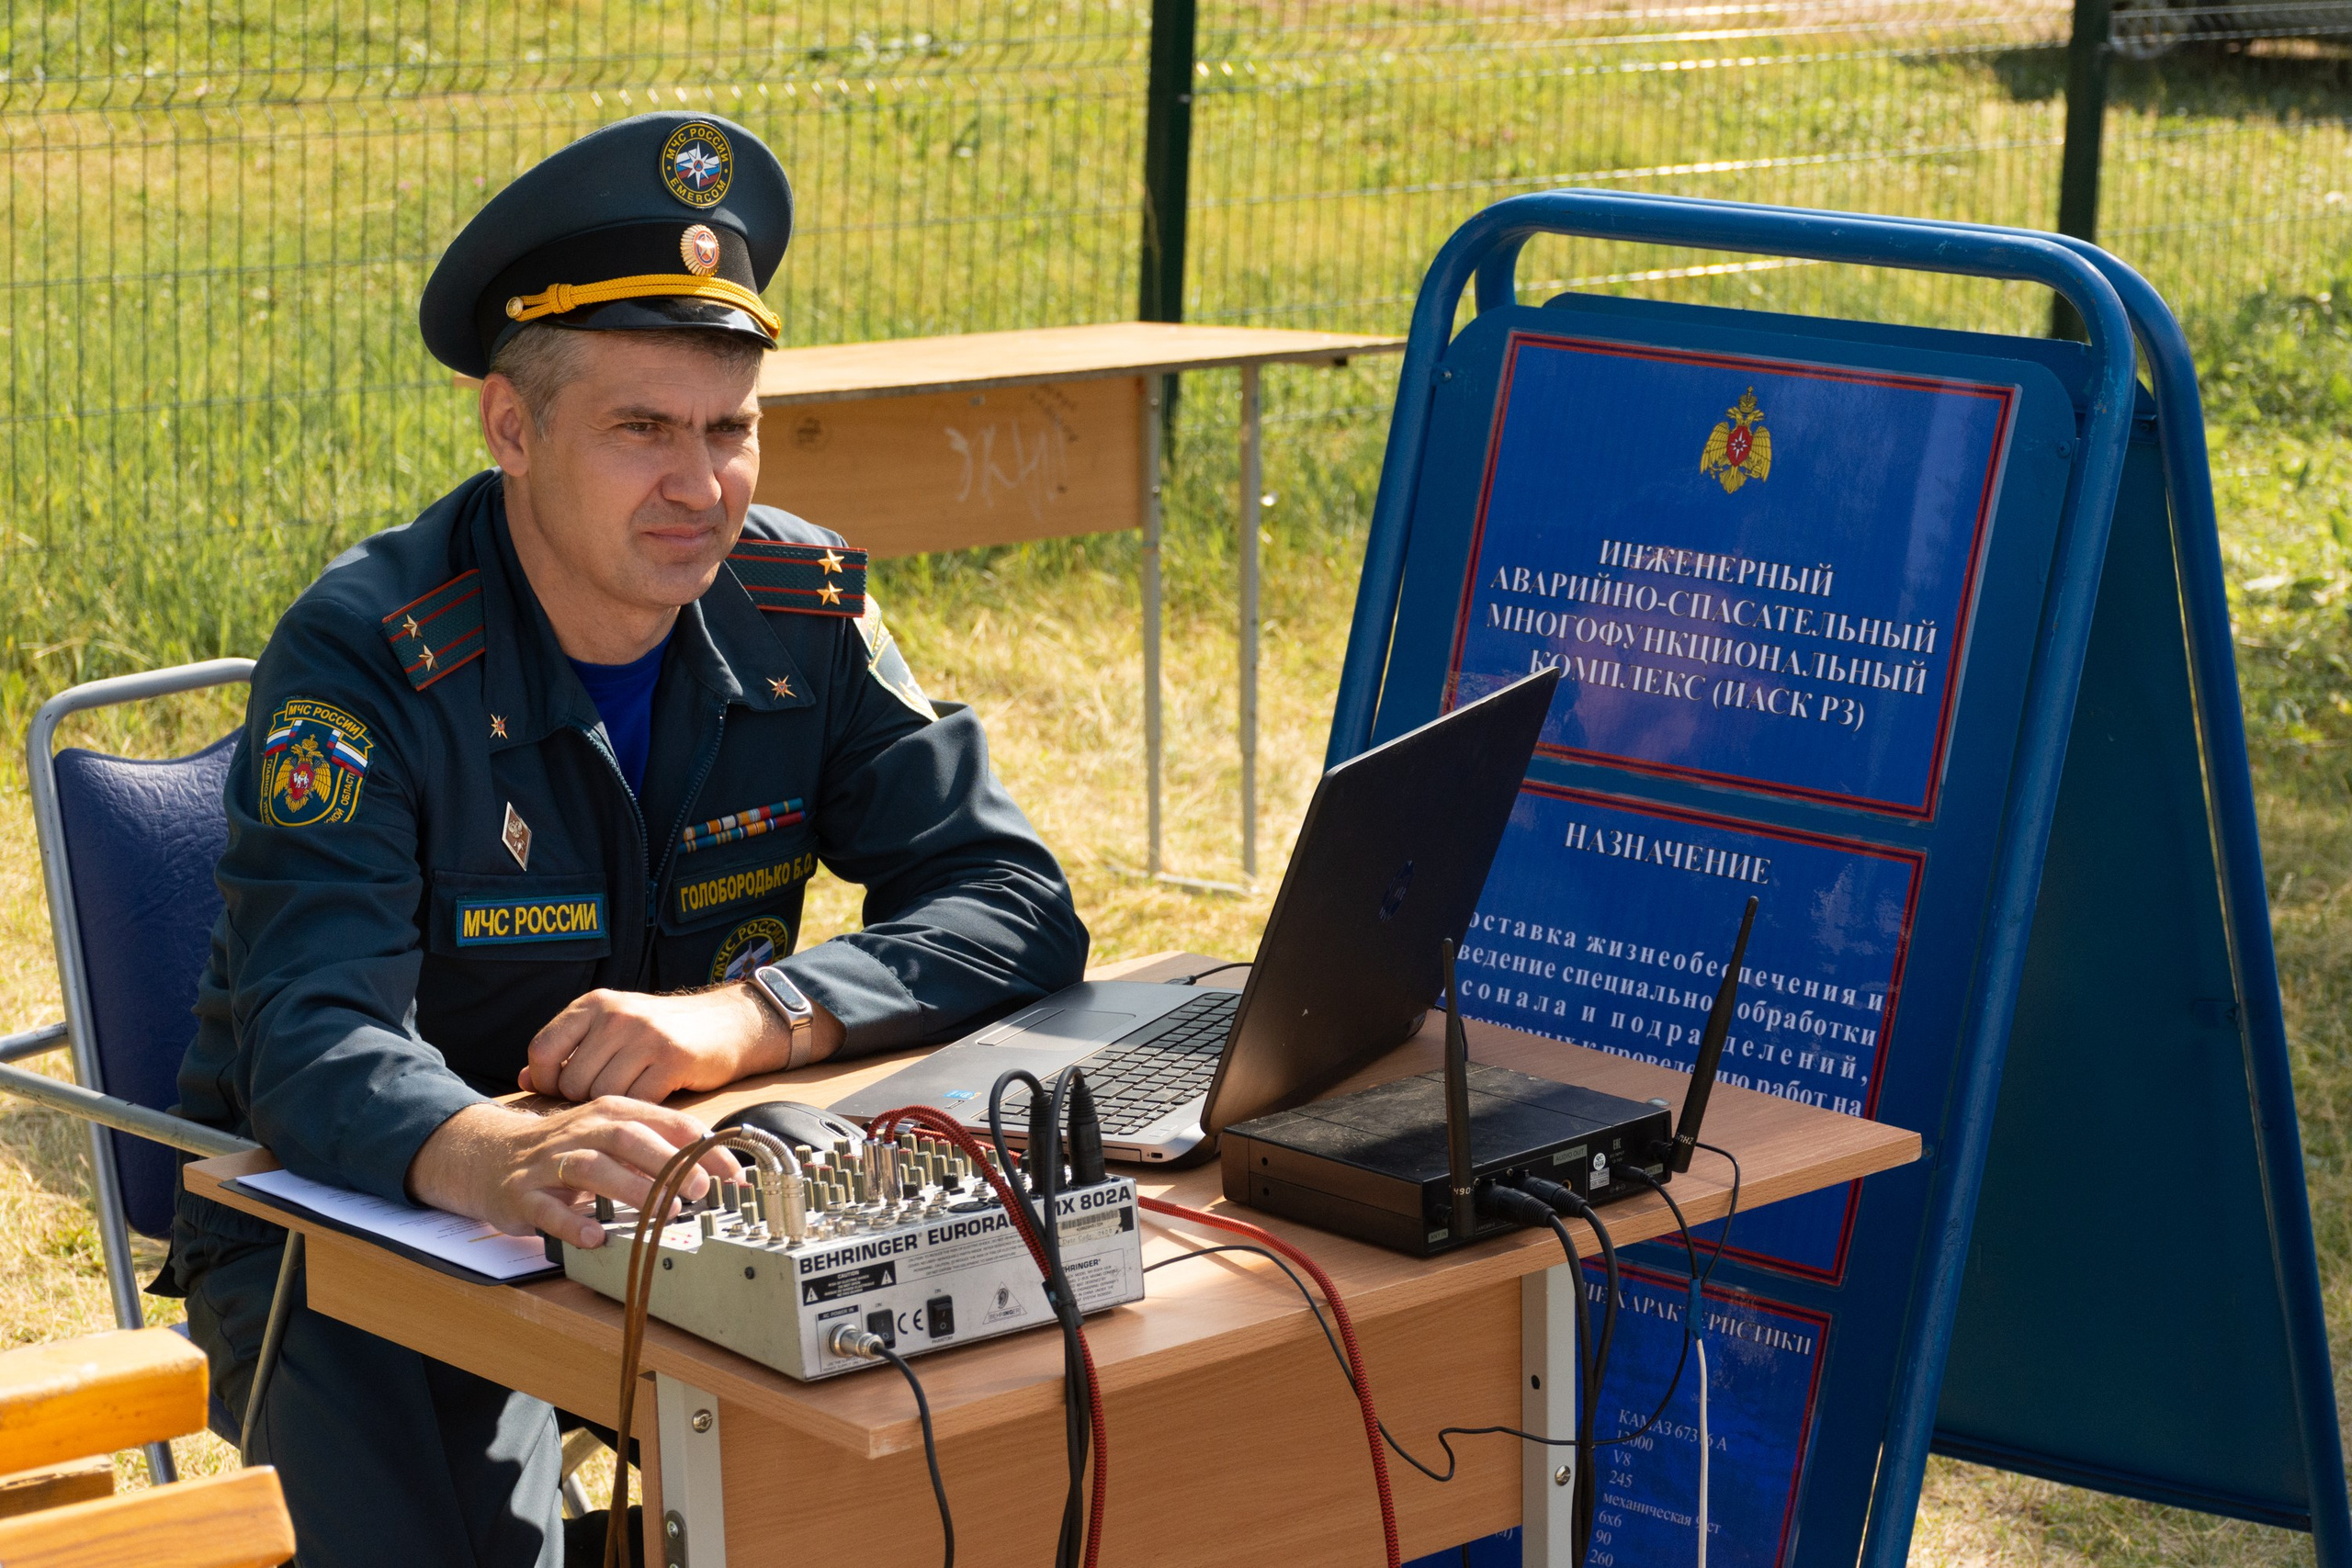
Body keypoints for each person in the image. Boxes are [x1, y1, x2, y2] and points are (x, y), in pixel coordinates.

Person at [160, 110, 1089, 1566]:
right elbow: (307, 1030)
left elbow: (1013, 899)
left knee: (981, 1460)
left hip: (684, 1195)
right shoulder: (367, 655)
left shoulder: (802, 603)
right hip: (355, 1228)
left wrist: (755, 1016)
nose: (703, 484)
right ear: (511, 428)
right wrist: (485, 1155)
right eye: (643, 429)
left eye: (730, 428)